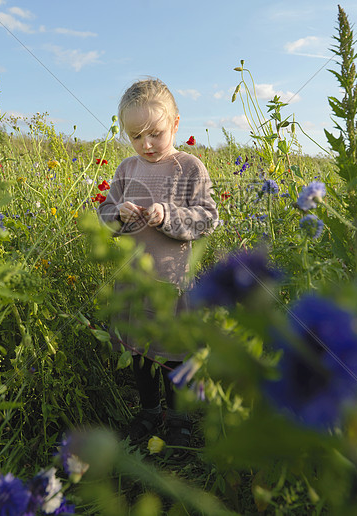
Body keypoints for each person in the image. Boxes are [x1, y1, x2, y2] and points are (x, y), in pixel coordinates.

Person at [98, 78, 218, 458]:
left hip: (174, 284)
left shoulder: (189, 168)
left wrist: (167, 215)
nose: (146, 144)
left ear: (176, 124)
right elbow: (104, 215)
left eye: (156, 133)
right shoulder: (127, 169)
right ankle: (149, 411)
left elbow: (207, 218)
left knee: (175, 356)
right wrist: (117, 215)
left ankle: (179, 419)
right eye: (136, 136)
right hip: (135, 285)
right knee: (140, 352)